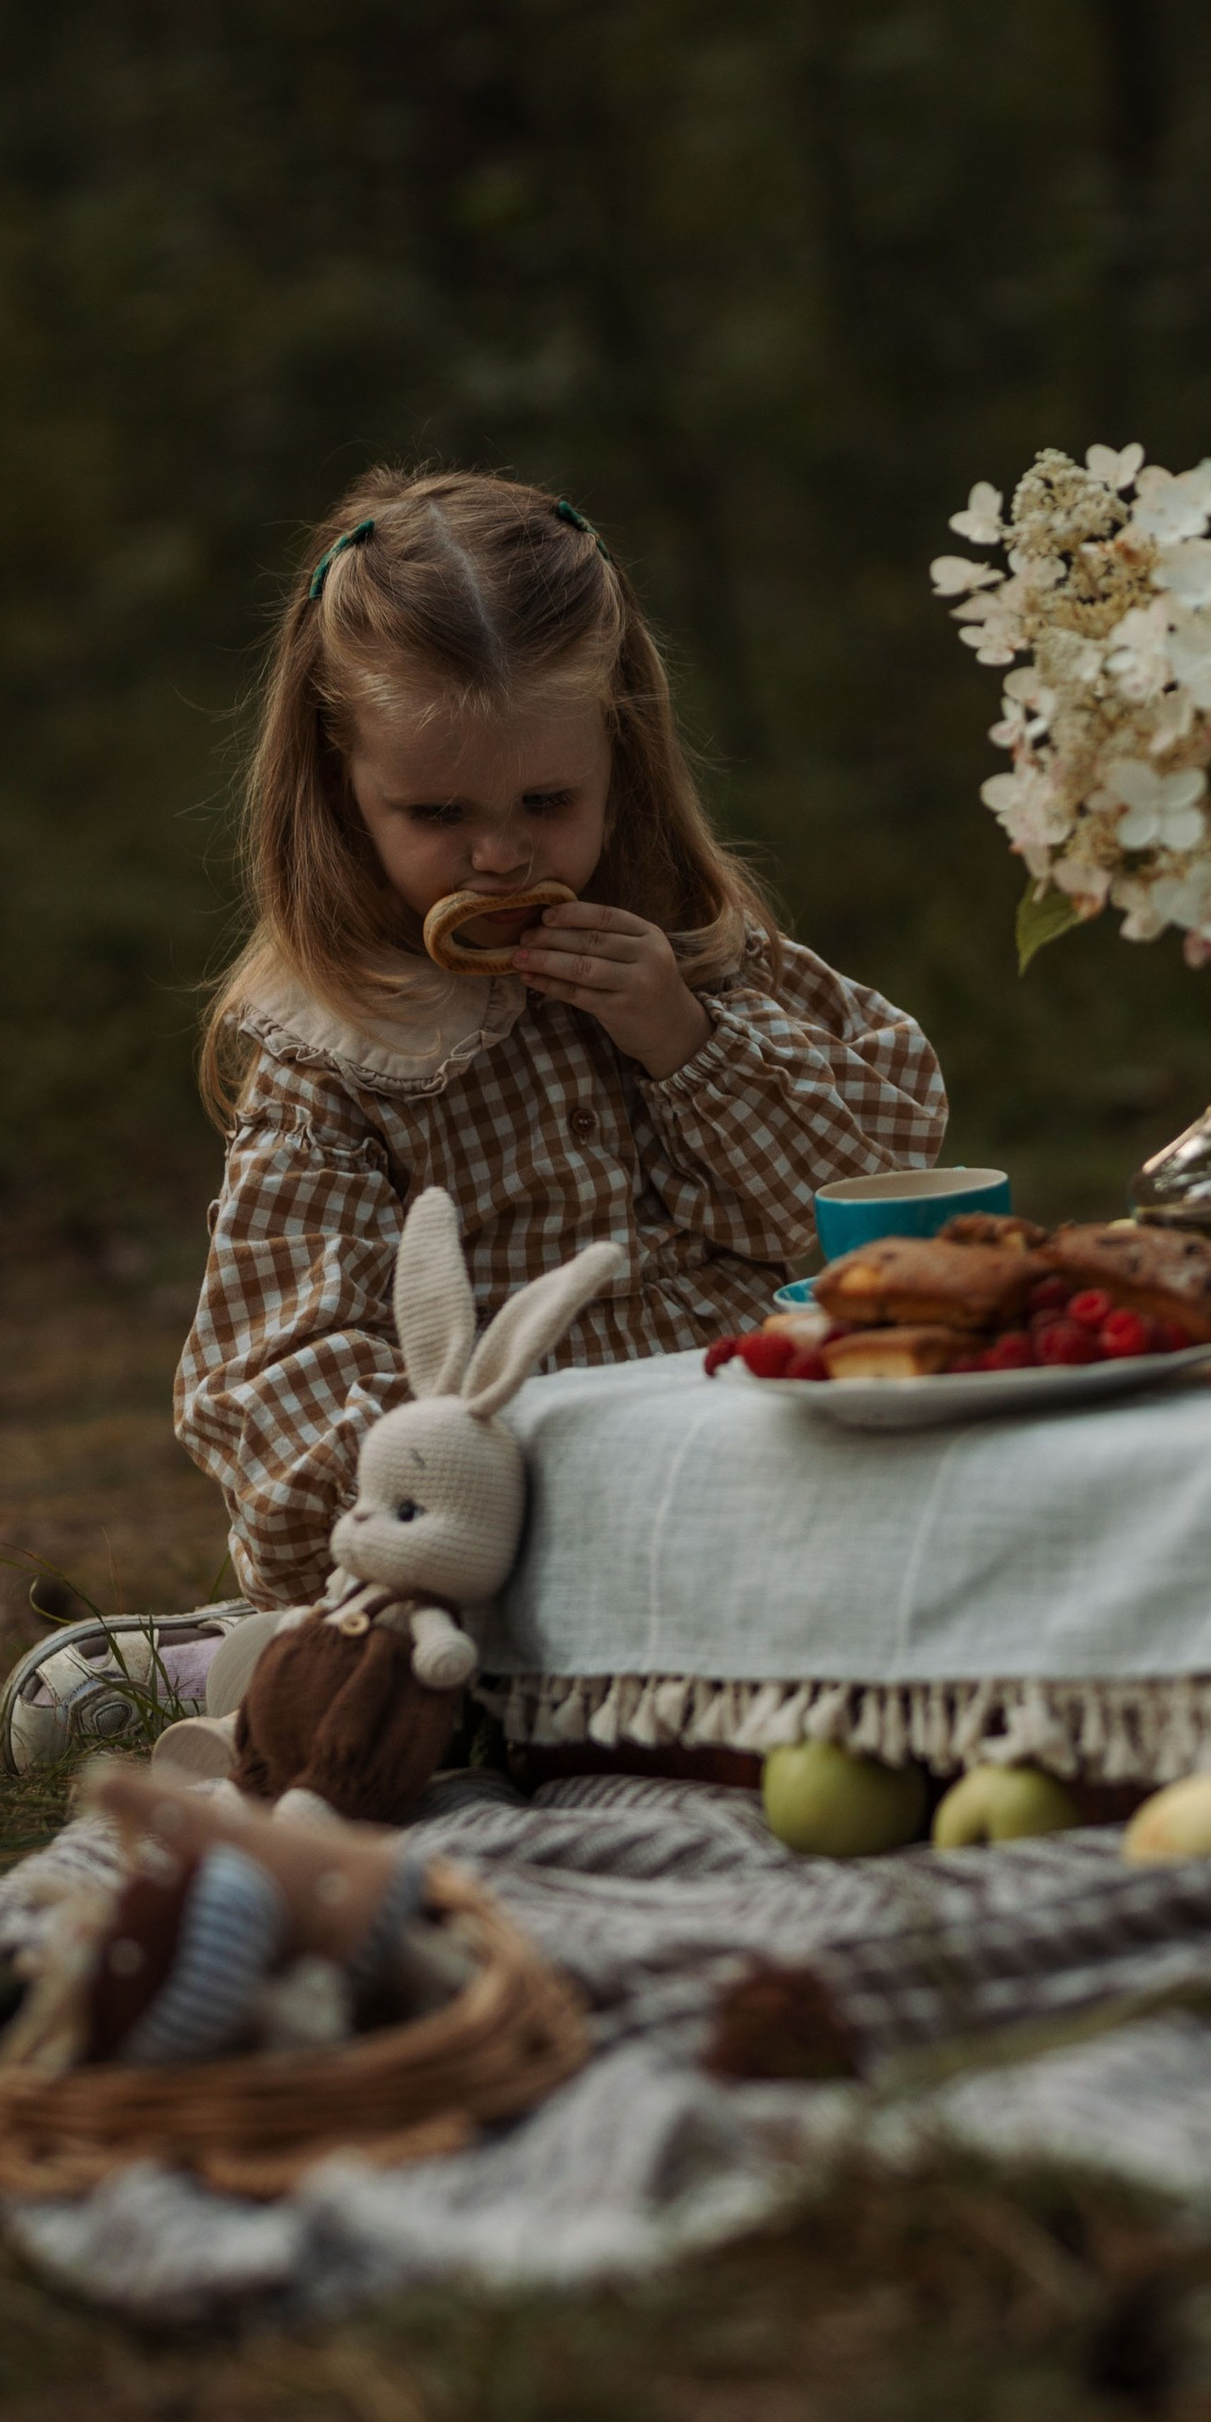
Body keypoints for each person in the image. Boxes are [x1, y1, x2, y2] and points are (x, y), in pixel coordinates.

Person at [177, 470, 946, 1603]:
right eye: (439, 814)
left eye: (547, 803)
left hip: (758, 1466)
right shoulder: (335, 1058)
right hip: (524, 1534)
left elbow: (871, 1202)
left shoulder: (693, 956)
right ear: (341, 795)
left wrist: (687, 1043)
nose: (500, 856)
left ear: (620, 766)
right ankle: (217, 1663)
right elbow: (277, 1370)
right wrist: (441, 1492)